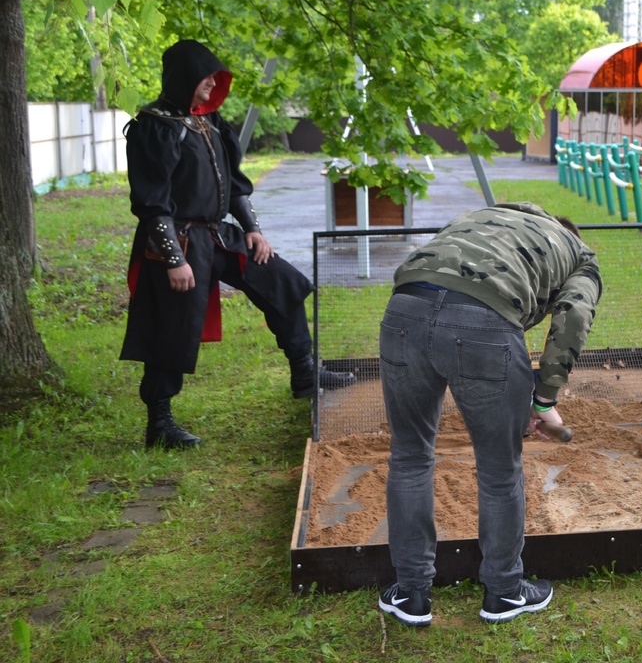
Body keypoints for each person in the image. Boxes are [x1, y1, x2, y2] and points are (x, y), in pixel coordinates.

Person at [121, 39, 354, 450]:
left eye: (216, 76)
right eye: (205, 76)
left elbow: (237, 186)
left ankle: (305, 372)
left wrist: (254, 230)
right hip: (175, 240)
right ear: (183, 77)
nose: (213, 83)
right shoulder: (154, 126)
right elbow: (152, 203)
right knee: (170, 327)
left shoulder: (211, 123)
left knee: (283, 282)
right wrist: (174, 260)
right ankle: (159, 424)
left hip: (218, 233)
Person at [377, 202, 602, 627]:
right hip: (483, 325)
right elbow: (572, 317)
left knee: (408, 456)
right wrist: (544, 401)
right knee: (499, 470)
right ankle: (504, 592)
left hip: (404, 309)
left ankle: (410, 594)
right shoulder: (579, 255)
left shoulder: (485, 216)